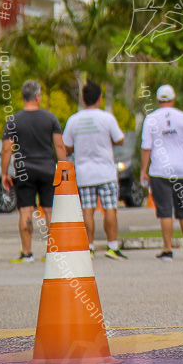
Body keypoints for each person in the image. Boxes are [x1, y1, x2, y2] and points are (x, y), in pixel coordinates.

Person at [1, 80, 66, 263]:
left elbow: (7, 148)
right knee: (49, 210)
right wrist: (64, 167)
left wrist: (5, 173)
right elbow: (59, 145)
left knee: (26, 210)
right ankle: (53, 252)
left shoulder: (14, 119)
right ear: (37, 97)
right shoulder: (50, 118)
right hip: (47, 169)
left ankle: (27, 252)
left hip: (24, 171)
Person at [63, 81, 127, 259]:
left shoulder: (74, 120)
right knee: (110, 208)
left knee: (87, 210)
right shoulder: (107, 118)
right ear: (100, 98)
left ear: (83, 99)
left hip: (84, 172)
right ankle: (112, 246)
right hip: (106, 171)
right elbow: (120, 139)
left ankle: (88, 247)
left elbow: (66, 145)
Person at [140, 84, 183, 260]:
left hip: (160, 171)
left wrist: (144, 171)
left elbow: (146, 147)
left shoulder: (150, 119)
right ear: (173, 99)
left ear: (158, 100)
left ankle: (167, 250)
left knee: (165, 211)